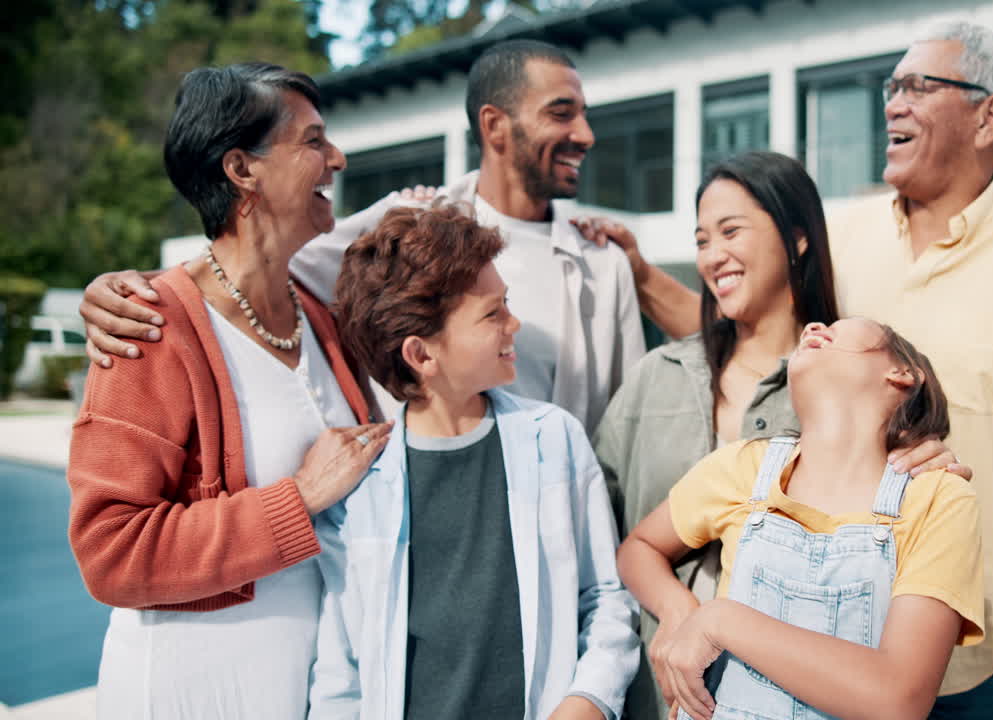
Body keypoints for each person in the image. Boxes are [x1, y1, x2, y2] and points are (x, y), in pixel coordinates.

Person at [600, 22, 993, 720]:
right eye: (892, 86)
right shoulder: (844, 238)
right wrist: (642, 275)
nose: (892, 103)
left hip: (984, 660)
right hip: (817, 644)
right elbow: (747, 331)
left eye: (919, 86)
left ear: (990, 115)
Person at [77, 39, 644, 434]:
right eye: (562, 114)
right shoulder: (408, 222)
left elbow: (624, 422)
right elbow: (257, 264)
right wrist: (128, 291)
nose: (586, 135)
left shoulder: (600, 258)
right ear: (494, 125)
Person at [592, 151, 971, 720]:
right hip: (660, 695)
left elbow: (900, 685)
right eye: (701, 241)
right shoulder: (657, 379)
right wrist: (679, 614)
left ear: (797, 239)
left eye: (730, 231)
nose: (713, 254)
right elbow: (607, 536)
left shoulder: (847, 395)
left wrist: (922, 447)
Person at [65, 63, 392, 719]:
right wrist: (296, 500)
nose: (338, 157)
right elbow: (112, 553)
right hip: (191, 695)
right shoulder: (151, 326)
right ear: (242, 170)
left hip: (310, 694)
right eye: (312, 142)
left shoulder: (321, 315)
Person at [308, 205, 638, 720]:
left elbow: (606, 597)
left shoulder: (555, 439)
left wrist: (587, 700)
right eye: (493, 313)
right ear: (421, 355)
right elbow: (342, 670)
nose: (515, 323)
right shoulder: (358, 491)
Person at [617, 317, 984, 720]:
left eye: (837, 327)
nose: (813, 327)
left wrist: (719, 621)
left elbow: (899, 698)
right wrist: (679, 613)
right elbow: (640, 548)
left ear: (902, 374)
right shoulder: (744, 467)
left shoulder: (938, 499)